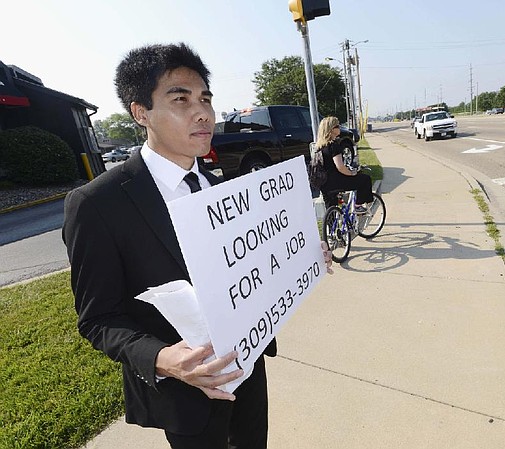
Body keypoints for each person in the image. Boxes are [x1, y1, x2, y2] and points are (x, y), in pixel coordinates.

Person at [62, 43, 332, 449]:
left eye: (205, 97)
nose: (202, 112)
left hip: (248, 370)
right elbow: (98, 319)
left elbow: (255, 265)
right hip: (184, 395)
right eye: (181, 99)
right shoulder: (98, 204)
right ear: (141, 113)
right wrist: (160, 359)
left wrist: (303, 255)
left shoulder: (225, 190)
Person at [317, 116, 373, 212]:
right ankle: (358, 206)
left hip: (324, 184)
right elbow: (340, 167)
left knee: (331, 210)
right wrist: (352, 173)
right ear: (332, 129)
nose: (340, 128)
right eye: (337, 126)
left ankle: (331, 226)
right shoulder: (333, 145)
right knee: (365, 179)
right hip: (336, 181)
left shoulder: (319, 147)